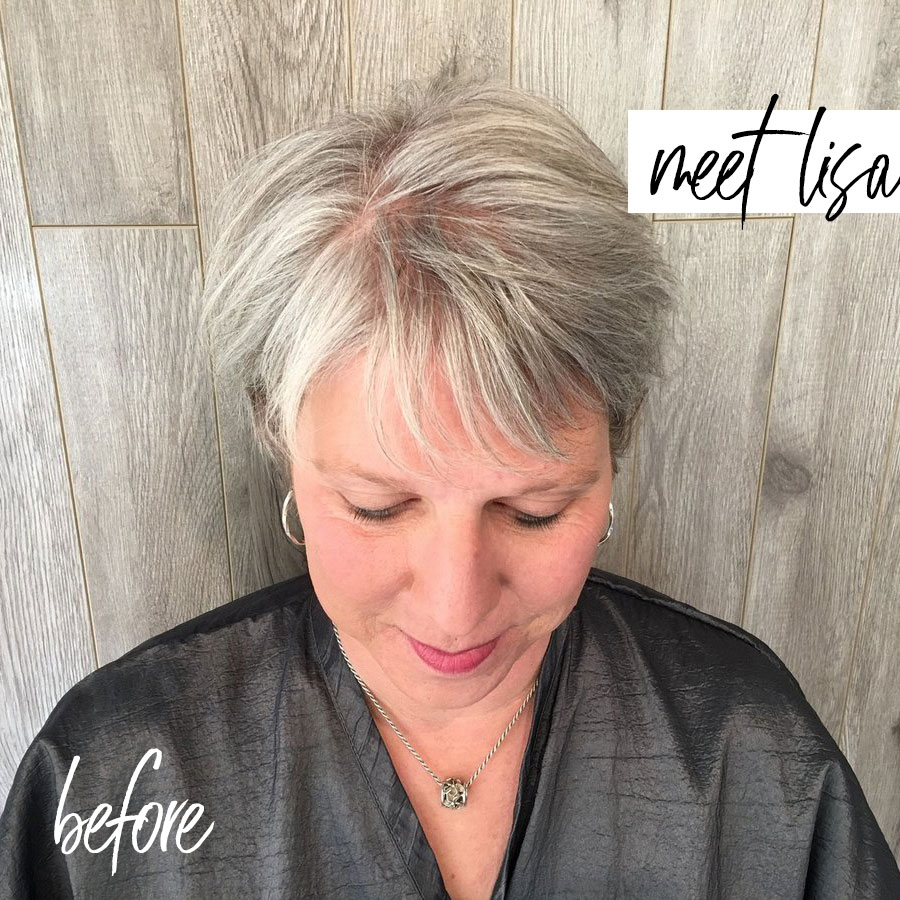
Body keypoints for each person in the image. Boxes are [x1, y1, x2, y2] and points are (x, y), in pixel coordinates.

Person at [2, 53, 899, 900]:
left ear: (614, 458)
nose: (454, 610)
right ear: (281, 443)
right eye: (376, 507)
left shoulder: (751, 756)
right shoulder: (117, 776)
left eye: (535, 511)